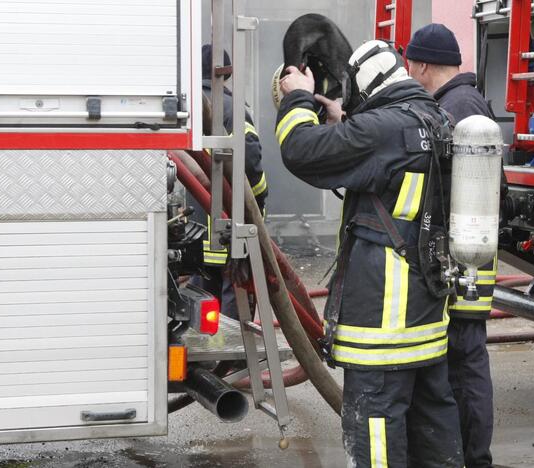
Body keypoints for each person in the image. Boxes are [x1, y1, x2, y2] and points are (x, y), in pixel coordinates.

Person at [278, 40, 464, 468]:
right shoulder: (438, 119)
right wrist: (343, 121)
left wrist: (299, 98)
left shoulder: (382, 130)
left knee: (375, 428)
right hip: (428, 320)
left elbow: (300, 150)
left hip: (383, 326)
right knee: (433, 425)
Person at [406, 23, 498, 468]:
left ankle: (473, 458)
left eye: (411, 64)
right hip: (468, 263)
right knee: (465, 361)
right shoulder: (466, 102)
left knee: (463, 366)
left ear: (422, 65)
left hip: (464, 268)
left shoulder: (456, 109)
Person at [195, 45, 268, 318]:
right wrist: (258, 203)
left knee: (203, 287)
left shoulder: (187, 106)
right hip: (229, 220)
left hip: (194, 223)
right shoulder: (231, 108)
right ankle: (232, 357)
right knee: (234, 288)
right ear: (227, 75)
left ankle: (205, 351)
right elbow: (249, 161)